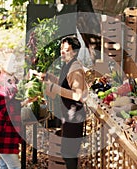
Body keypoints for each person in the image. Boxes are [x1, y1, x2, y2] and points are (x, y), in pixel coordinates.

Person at [34, 35, 88, 169]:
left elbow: (77, 95)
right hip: (68, 115)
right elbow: (65, 85)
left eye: (66, 49)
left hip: (75, 115)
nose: (62, 52)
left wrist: (54, 88)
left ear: (74, 52)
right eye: (61, 49)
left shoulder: (75, 69)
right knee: (67, 153)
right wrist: (48, 77)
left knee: (68, 154)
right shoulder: (67, 65)